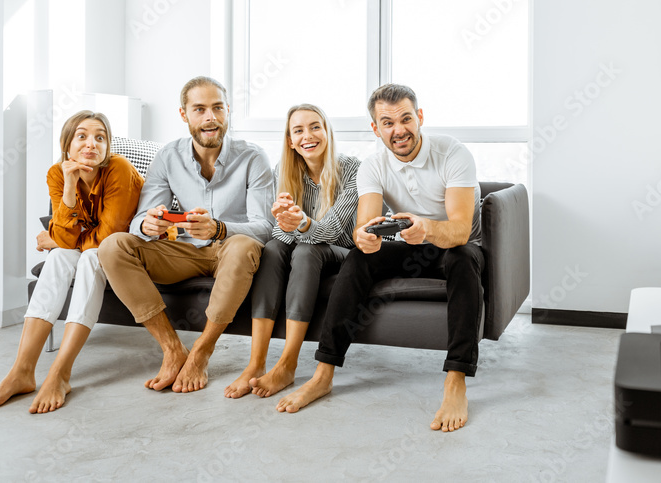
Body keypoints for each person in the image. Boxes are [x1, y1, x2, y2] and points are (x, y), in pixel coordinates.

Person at [277, 84, 484, 432]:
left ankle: (455, 381)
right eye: (387, 123)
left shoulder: (453, 153)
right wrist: (364, 238)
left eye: (405, 118)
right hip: (407, 242)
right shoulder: (372, 165)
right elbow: (365, 225)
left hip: (454, 244)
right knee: (358, 261)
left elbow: (461, 230)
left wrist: (428, 229)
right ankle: (323, 374)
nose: (398, 129)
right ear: (376, 129)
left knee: (463, 260)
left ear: (419, 117)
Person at [98, 76, 274, 393]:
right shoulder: (168, 156)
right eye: (200, 109)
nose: (210, 117)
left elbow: (265, 227)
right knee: (113, 246)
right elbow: (143, 216)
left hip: (231, 250)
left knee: (243, 244)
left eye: (218, 108)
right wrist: (146, 224)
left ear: (228, 111)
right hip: (182, 250)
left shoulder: (253, 158)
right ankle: (172, 348)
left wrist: (219, 227)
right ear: (184, 115)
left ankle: (202, 350)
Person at [0, 111, 144, 413]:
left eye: (100, 137)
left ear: (108, 146)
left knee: (90, 256)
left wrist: (57, 239)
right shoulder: (57, 173)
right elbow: (66, 241)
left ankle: (60, 372)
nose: (91, 143)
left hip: (131, 248)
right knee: (59, 257)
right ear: (67, 143)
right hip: (94, 243)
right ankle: (22, 371)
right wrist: (68, 186)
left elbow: (108, 238)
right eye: (82, 136)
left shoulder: (119, 169)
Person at [224, 104, 360, 399]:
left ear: (326, 132)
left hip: (345, 254)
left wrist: (301, 224)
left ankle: (287, 363)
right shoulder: (282, 172)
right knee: (272, 250)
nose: (307, 136)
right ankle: (256, 364)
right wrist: (287, 222)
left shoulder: (352, 170)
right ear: (289, 140)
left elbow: (334, 231)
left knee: (306, 252)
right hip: (304, 249)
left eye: (314, 127)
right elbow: (277, 234)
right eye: (298, 130)